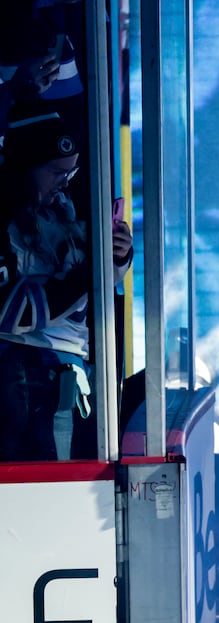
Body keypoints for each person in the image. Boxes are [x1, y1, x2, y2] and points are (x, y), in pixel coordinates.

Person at [0, 106, 132, 460]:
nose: (65, 182)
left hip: (73, 377)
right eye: (56, 172)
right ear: (25, 168)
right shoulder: (6, 221)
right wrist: (91, 271)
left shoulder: (63, 210)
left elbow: (96, 289)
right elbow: (14, 314)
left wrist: (117, 256)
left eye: (70, 172)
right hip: (22, 382)